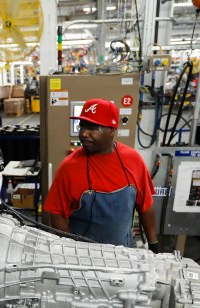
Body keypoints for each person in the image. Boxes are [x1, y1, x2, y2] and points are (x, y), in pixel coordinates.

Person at [43, 98, 158, 251]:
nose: (84, 133)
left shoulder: (133, 160)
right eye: (82, 126)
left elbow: (146, 206)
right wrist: (71, 248)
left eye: (93, 128)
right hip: (85, 256)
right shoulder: (69, 167)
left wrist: (154, 245)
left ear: (111, 130)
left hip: (124, 252)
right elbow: (56, 214)